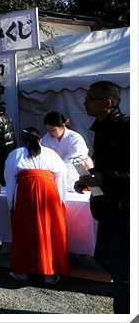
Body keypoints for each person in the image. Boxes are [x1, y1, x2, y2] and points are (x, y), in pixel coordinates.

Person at [76, 81, 129, 314]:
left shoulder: (126, 128)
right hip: (108, 208)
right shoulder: (101, 128)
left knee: (124, 275)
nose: (85, 103)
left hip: (126, 210)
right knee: (103, 257)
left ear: (107, 103)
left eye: (90, 98)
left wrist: (104, 178)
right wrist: (87, 179)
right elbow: (104, 167)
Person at [4, 127, 70, 285]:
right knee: (49, 230)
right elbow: (62, 175)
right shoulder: (51, 154)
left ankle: (22, 272)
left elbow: (10, 178)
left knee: (24, 230)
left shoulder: (16, 154)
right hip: (48, 190)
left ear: (23, 140)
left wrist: (11, 202)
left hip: (25, 191)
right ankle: (49, 274)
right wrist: (61, 199)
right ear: (40, 139)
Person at [40, 111, 90, 192]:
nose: (49, 132)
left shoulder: (75, 138)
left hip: (73, 173)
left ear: (63, 126)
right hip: (53, 173)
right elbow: (44, 157)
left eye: (52, 129)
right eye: (47, 129)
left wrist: (58, 173)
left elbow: (72, 161)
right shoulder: (46, 138)